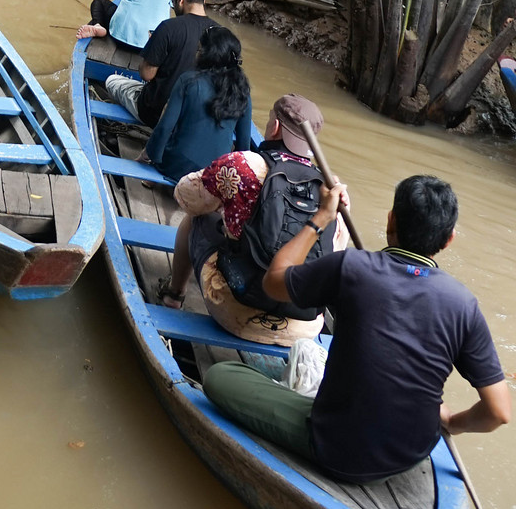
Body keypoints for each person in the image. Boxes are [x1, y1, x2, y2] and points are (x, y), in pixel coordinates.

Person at [204, 173, 510, 482]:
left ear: (391, 221)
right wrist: (452, 422)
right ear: (449, 240)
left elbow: (274, 281)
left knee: (221, 376)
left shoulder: (352, 266)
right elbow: (498, 411)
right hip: (411, 453)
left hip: (336, 449)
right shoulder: (463, 303)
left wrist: (321, 217)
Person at [157, 95, 350, 343]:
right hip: (304, 327)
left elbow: (184, 196)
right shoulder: (334, 191)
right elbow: (336, 250)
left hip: (238, 311)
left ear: (275, 127)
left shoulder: (242, 165)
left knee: (198, 219)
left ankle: (174, 295)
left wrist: (226, 206)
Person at [142, 24, 251, 184]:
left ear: (207, 55)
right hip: (214, 176)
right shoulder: (242, 92)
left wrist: (152, 158)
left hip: (177, 168)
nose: (196, 54)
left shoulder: (188, 81)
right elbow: (243, 146)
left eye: (199, 50)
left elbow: (165, 127)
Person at [103, 0, 209, 124]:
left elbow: (146, 74)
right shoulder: (220, 34)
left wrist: (153, 47)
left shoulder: (168, 27)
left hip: (155, 112)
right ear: (204, 0)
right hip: (194, 118)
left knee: (112, 80)